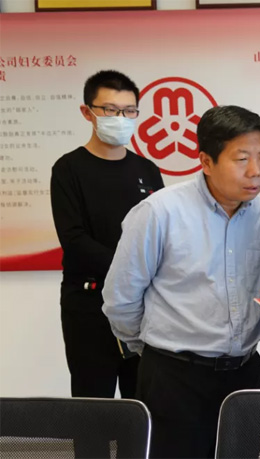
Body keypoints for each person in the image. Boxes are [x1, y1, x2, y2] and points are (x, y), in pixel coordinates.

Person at [102, 105, 260, 458]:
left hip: (243, 375)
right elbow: (120, 299)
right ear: (206, 162)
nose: (256, 171)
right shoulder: (160, 212)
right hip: (175, 378)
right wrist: (155, 351)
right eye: (241, 159)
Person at [50, 70, 164, 399]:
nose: (121, 119)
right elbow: (74, 240)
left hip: (142, 305)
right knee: (92, 402)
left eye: (129, 111)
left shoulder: (147, 170)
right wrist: (131, 268)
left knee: (142, 398)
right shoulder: (68, 169)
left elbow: (161, 233)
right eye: (111, 110)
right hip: (89, 304)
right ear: (88, 112)